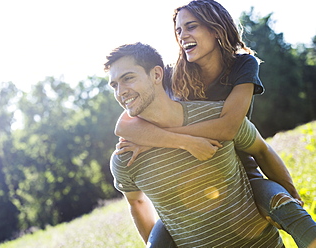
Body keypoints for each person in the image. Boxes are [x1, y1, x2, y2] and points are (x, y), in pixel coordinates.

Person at [113, 1, 316, 247]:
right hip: (188, 183)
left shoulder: (242, 65)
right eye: (178, 30)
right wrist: (167, 141)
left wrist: (159, 138)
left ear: (216, 29)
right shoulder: (173, 72)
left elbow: (229, 127)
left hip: (242, 169)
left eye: (191, 27)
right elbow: (124, 125)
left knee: (288, 207)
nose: (182, 36)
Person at [105, 42, 286, 247]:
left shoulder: (217, 114)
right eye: (114, 85)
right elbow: (136, 202)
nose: (121, 92)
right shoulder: (127, 155)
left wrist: (293, 199)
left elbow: (257, 146)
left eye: (128, 78)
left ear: (157, 75)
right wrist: (184, 142)